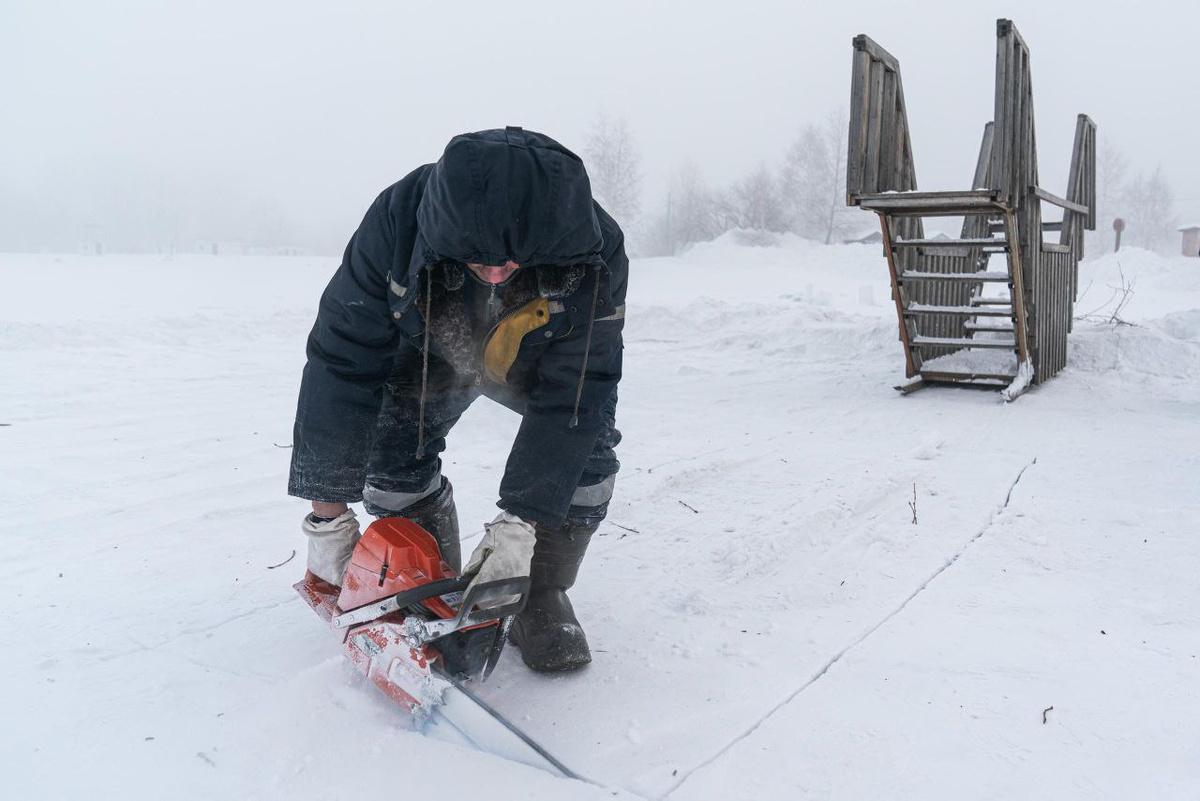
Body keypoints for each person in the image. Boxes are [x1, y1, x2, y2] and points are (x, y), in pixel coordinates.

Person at [289, 127, 626, 672]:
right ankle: (429, 591)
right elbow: (342, 363)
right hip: (431, 350)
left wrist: (521, 523)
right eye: (478, 257)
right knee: (392, 458)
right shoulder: (396, 223)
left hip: (536, 358)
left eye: (513, 260)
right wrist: (327, 516)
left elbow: (578, 394)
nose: (494, 272)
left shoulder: (594, 247)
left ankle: (536, 593)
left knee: (586, 462)